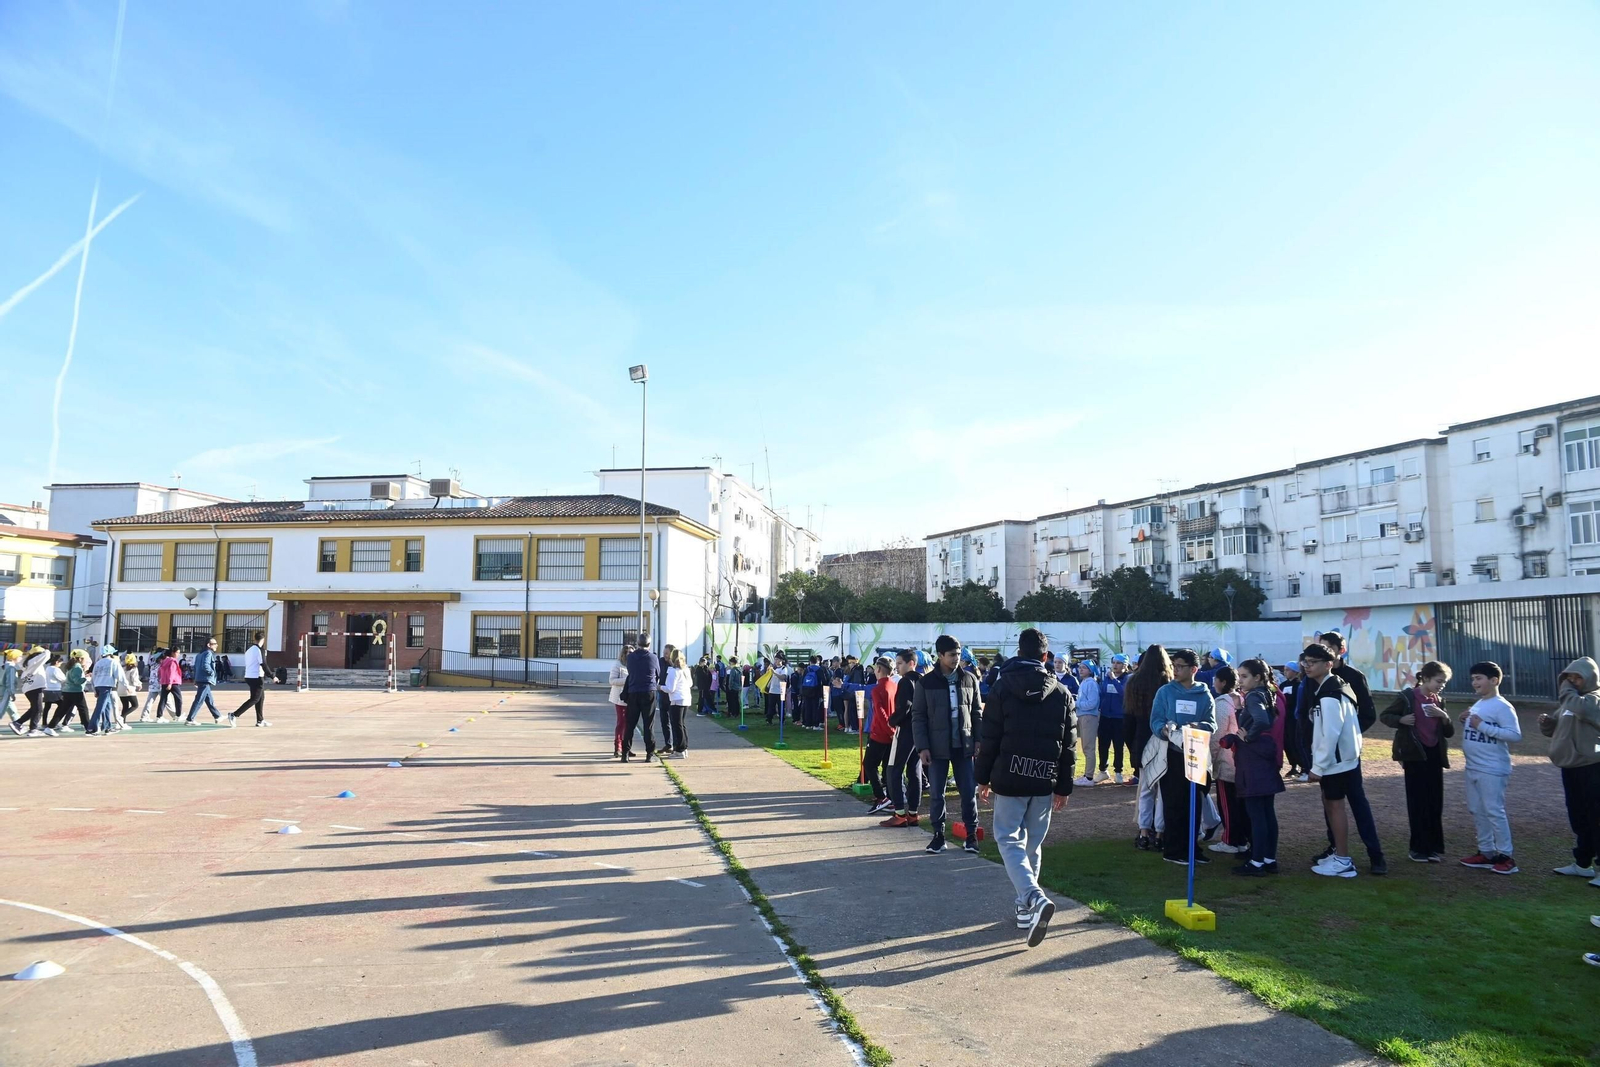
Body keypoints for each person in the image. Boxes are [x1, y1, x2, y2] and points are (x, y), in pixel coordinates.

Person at [976, 627, 1075, 947]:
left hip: (1010, 776)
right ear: (1045, 657)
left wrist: (981, 777)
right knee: (1032, 844)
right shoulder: (1061, 692)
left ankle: (1031, 897)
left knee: (1008, 839)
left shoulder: (1002, 687)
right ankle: (1025, 908)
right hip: (1044, 778)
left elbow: (989, 736)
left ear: (1019, 653)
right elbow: (1069, 746)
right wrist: (1064, 786)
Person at [1303, 634, 1386, 873]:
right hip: (1342, 759)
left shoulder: (1331, 692)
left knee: (1337, 806)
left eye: (1313, 662)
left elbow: (1331, 733)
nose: (1307, 666)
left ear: (1329, 663)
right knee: (1332, 804)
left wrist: (1318, 766)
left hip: (1337, 762)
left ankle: (1343, 860)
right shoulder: (1331, 686)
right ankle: (1339, 855)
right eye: (1306, 662)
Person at [912, 634, 984, 855]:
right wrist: (922, 746)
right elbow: (918, 716)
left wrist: (978, 739)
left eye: (959, 654)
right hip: (936, 748)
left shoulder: (970, 679)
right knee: (936, 793)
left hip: (964, 746)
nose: (956, 658)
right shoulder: (926, 683)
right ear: (940, 655)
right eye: (952, 654)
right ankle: (938, 835)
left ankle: (971, 836)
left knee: (968, 792)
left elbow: (977, 712)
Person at [1380, 660, 1455, 863]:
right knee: (1417, 803)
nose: (1442, 685)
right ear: (1426, 678)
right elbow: (1385, 715)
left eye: (1445, 682)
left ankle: (1433, 847)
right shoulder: (1407, 697)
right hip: (1414, 756)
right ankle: (1418, 849)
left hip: (1434, 756)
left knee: (1434, 803)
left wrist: (1444, 717)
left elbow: (1448, 732)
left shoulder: (1439, 700)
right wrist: (1401, 720)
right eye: (1440, 681)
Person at [1149, 648, 1217, 865]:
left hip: (1196, 753)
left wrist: (1199, 726)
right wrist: (1166, 730)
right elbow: (1156, 721)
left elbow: (1212, 723)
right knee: (1174, 802)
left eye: (1180, 666)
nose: (1175, 670)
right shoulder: (1165, 692)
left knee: (1194, 802)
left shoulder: (1204, 693)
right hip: (1172, 753)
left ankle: (1192, 848)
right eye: (1174, 665)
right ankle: (1173, 849)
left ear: (1194, 669)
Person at [1218, 658, 1284, 876]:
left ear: (1257, 677)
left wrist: (1247, 737)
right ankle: (1268, 859)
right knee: (1266, 813)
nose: (1240, 680)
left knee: (1257, 813)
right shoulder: (1267, 692)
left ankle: (1257, 862)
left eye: (1244, 676)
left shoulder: (1255, 695)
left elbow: (1262, 720)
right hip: (1262, 758)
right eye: (1240, 676)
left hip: (1253, 760)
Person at [1457, 661, 1521, 874]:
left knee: (1494, 811)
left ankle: (1506, 856)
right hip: (1473, 766)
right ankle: (1486, 852)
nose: (1474, 682)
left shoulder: (1502, 706)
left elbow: (1514, 734)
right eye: (1473, 678)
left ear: (1494, 680)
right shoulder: (1479, 704)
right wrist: (1464, 720)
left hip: (1492, 768)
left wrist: (1481, 726)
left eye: (1479, 678)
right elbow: (1476, 727)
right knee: (1477, 810)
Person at [1542, 657, 1600, 886]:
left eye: (1577, 677)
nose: (1572, 682)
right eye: (1569, 677)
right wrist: (1547, 723)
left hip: (1593, 766)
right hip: (1571, 766)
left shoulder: (1593, 699)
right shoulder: (1570, 700)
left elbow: (1581, 710)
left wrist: (1565, 689)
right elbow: (1558, 726)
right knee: (1579, 817)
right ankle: (1583, 864)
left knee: (1596, 819)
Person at [1125, 645, 1172, 850]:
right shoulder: (1167, 682)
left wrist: (1131, 745)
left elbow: (1127, 718)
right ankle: (1160, 833)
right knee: (1162, 792)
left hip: (1141, 740)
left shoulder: (1133, 682)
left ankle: (1144, 833)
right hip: (1163, 739)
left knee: (1145, 790)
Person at [881, 650, 924, 828]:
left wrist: (893, 720)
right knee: (915, 771)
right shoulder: (923, 680)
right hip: (920, 731)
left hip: (906, 729)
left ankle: (899, 813)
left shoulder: (906, 681)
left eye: (900, 663)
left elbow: (904, 707)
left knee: (893, 769)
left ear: (911, 663)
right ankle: (913, 813)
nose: (897, 667)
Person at [1208, 665, 1249, 855]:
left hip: (1226, 759)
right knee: (1238, 804)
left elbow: (1217, 735)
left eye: (1216, 679)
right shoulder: (1239, 700)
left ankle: (1230, 840)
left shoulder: (1222, 703)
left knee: (1227, 803)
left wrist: (1211, 757)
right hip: (1239, 759)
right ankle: (1240, 840)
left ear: (1223, 682)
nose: (1214, 682)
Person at [852, 658, 897, 813]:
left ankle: (881, 797)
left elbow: (881, 713)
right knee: (886, 766)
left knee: (869, 764)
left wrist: (889, 731)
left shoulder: (878, 689)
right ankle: (890, 798)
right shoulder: (894, 686)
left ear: (878, 669)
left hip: (879, 733)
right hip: (891, 733)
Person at [622, 637, 660, 762]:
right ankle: (649, 754)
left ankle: (625, 753)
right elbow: (658, 674)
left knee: (630, 724)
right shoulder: (653, 657)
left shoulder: (631, 657)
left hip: (633, 692)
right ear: (649, 644)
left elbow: (630, 672)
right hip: (648, 691)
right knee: (648, 724)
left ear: (638, 644)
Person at [1097, 654, 1129, 784]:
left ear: (1125, 666)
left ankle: (1118, 772)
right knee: (1103, 744)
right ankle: (1103, 771)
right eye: (1114, 662)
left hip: (1119, 718)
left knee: (1118, 745)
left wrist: (1114, 680)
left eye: (1119, 663)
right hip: (1105, 716)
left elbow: (1123, 694)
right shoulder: (1107, 678)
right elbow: (1103, 693)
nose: (1115, 665)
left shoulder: (1127, 679)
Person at [229, 632, 271, 727]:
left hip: (249, 676)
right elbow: (263, 664)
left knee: (260, 698)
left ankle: (260, 720)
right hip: (256, 677)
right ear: (263, 640)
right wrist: (272, 676)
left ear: (255, 639)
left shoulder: (249, 650)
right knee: (255, 699)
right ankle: (234, 714)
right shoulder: (259, 650)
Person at [48, 650, 90, 733]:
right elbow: (77, 681)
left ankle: (50, 727)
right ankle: (88, 728)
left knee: (62, 710)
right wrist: (86, 678)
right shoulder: (77, 667)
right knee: (83, 710)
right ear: (80, 659)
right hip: (76, 691)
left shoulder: (71, 666)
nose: (86, 661)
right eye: (85, 659)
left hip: (67, 691)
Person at [1073, 661, 1101, 786]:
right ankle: (1087, 775)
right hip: (1083, 715)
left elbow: (1092, 703)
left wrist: (1076, 703)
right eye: (1080, 668)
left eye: (1084, 668)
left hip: (1089, 716)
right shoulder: (1084, 682)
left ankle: (1089, 777)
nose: (1081, 670)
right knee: (1085, 746)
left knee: (1089, 747)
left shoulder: (1091, 683)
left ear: (1090, 670)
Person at [87, 645, 124, 736]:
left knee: (107, 706)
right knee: (100, 707)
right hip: (107, 686)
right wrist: (126, 685)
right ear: (111, 653)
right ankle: (92, 728)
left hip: (98, 686)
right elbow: (120, 675)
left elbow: (93, 677)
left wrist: (95, 689)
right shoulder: (113, 662)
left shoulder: (98, 663)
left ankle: (107, 727)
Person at [185, 637, 224, 724]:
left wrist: (196, 678)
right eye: (214, 644)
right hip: (205, 679)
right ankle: (190, 719)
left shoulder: (199, 654)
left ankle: (217, 716)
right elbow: (205, 665)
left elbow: (196, 667)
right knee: (199, 700)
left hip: (200, 679)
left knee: (209, 700)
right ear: (208, 645)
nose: (216, 645)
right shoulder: (208, 653)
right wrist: (211, 673)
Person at [12, 645, 49, 735]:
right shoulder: (34, 662)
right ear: (37, 655)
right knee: (38, 709)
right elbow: (47, 655)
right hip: (35, 687)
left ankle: (18, 723)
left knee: (34, 708)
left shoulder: (28, 662)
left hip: (30, 688)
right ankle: (33, 729)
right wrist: (46, 649)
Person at [1279, 661, 1307, 780]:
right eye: (1284, 669)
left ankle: (1303, 766)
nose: (1285, 672)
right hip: (1284, 718)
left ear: (1295, 671)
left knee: (1296, 742)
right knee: (1287, 743)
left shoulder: (1299, 685)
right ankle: (1293, 765)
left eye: (1288, 670)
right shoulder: (1282, 685)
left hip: (1294, 719)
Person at [664, 648, 691, 758]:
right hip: (685, 698)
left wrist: (660, 687)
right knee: (681, 724)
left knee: (677, 725)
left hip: (676, 699)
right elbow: (690, 683)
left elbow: (670, 688)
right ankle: (684, 747)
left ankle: (680, 750)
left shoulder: (673, 671)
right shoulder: (686, 670)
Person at [607, 645, 630, 758]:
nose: (629, 654)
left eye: (631, 652)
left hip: (631, 698)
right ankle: (618, 747)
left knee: (629, 724)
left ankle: (627, 747)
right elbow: (612, 680)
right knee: (621, 722)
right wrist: (626, 680)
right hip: (620, 697)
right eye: (627, 652)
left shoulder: (634, 665)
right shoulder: (617, 665)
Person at [153, 646, 186, 723]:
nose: (178, 654)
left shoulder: (164, 661)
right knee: (178, 699)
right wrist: (170, 683)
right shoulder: (173, 661)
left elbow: (159, 671)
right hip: (173, 682)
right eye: (177, 652)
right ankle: (178, 715)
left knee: (163, 699)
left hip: (164, 682)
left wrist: (161, 679)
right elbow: (172, 672)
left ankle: (159, 716)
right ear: (173, 653)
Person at [39, 654, 66, 735]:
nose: (60, 665)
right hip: (55, 690)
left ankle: (44, 723)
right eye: (60, 663)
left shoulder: (47, 668)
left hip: (47, 689)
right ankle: (54, 721)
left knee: (47, 707)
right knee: (62, 706)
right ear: (57, 662)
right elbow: (63, 679)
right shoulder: (56, 669)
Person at [117, 654, 142, 727]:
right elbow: (134, 680)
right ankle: (121, 717)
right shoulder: (134, 669)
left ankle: (122, 723)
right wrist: (139, 684)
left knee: (125, 706)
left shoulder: (122, 668)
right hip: (129, 689)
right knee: (135, 705)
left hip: (120, 689)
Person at [765, 653, 788, 725]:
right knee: (771, 706)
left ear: (781, 660)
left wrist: (774, 672)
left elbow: (783, 677)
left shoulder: (784, 668)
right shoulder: (773, 668)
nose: (776, 661)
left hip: (780, 690)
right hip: (772, 690)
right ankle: (769, 719)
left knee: (781, 706)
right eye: (775, 659)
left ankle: (782, 720)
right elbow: (770, 678)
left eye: (777, 659)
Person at [0, 648, 19, 733]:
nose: (21, 658)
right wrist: (12, 693)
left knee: (13, 710)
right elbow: (10, 682)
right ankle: (18, 724)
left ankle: (18, 724)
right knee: (1, 710)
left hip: (2, 690)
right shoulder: (11, 667)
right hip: (6, 692)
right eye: (20, 656)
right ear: (14, 657)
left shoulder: (3, 666)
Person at [724, 655, 742, 720]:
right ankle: (737, 713)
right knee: (736, 700)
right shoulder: (739, 669)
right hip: (738, 687)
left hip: (732, 687)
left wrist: (729, 686)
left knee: (731, 701)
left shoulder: (733, 670)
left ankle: (732, 712)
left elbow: (731, 679)